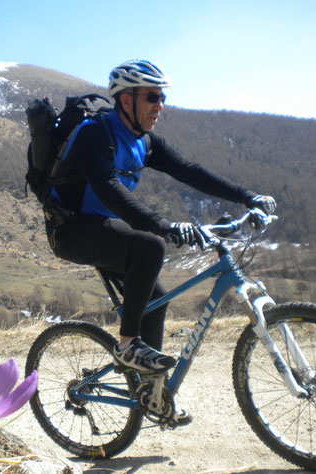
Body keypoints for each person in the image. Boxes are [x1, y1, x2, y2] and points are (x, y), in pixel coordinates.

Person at [44, 59, 276, 376]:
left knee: (156, 300)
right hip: (71, 230)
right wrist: (163, 226)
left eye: (162, 97)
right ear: (126, 100)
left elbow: (191, 171)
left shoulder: (147, 141)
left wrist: (247, 196)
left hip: (104, 228)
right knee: (151, 247)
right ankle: (128, 345)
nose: (160, 106)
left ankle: (149, 388)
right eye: (152, 97)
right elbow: (109, 189)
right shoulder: (93, 135)